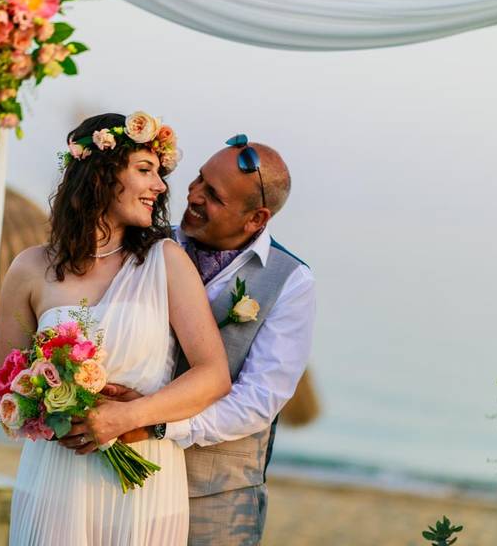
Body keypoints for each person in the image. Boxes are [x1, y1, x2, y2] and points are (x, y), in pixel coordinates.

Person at [0, 112, 231, 545]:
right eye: (144, 170)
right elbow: (0, 382)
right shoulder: (29, 268)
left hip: (142, 486)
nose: (159, 187)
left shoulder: (166, 261)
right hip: (54, 481)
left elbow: (213, 375)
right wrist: (50, 404)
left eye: (160, 174)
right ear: (99, 175)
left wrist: (127, 417)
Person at [64, 134, 316, 545]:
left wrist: (153, 423)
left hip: (216, 498)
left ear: (256, 219)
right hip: (120, 479)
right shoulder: (145, 246)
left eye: (213, 195)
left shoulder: (291, 282)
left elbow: (257, 402)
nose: (193, 195)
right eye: (198, 179)